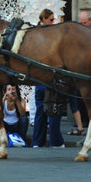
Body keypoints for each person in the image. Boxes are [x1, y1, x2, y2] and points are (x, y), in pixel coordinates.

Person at [32, 9, 64, 148]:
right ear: (44, 19)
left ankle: (37, 142)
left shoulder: (34, 34)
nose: (53, 22)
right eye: (51, 20)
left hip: (39, 79)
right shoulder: (50, 36)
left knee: (40, 112)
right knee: (54, 110)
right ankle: (55, 142)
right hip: (49, 78)